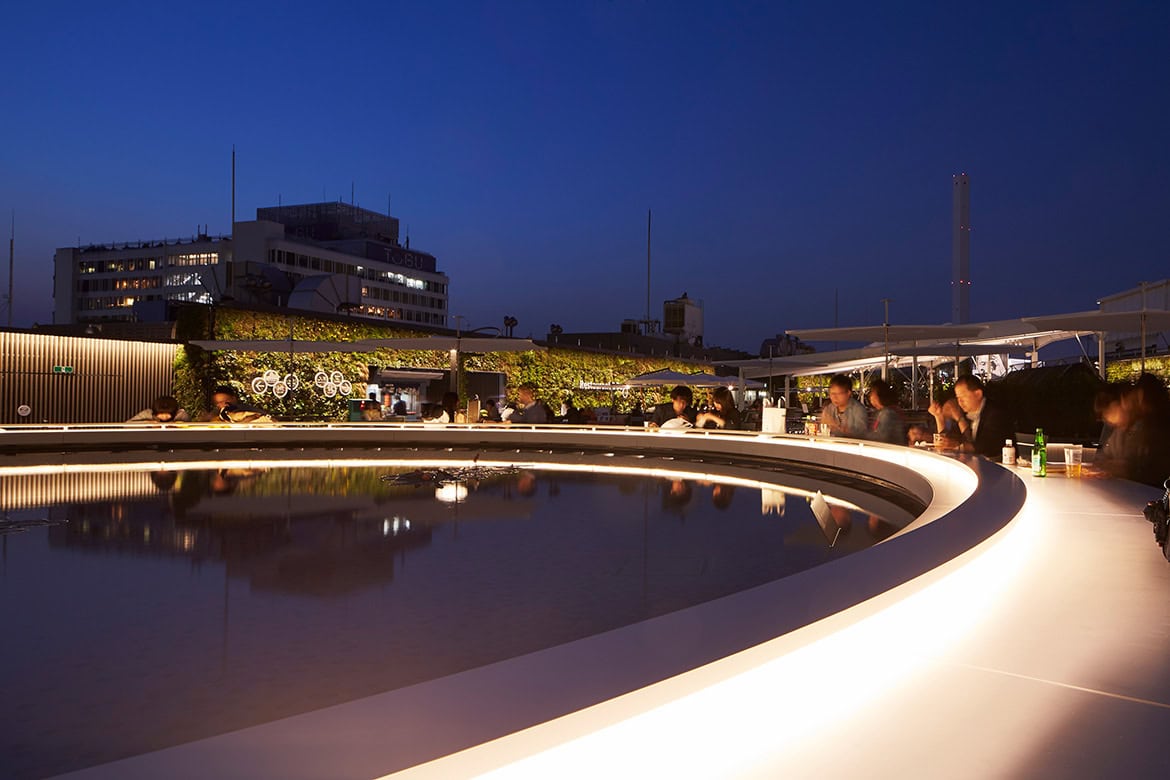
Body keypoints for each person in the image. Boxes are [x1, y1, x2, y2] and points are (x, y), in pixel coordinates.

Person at [929, 374, 1014, 460]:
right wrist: (939, 417)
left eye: (963, 397)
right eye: (958, 398)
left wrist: (957, 445)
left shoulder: (995, 413)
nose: (960, 402)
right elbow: (949, 440)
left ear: (978, 394)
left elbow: (985, 446)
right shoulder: (966, 414)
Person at [820, 374, 867, 439]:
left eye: (838, 394)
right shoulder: (828, 409)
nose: (834, 397)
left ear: (848, 393)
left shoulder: (858, 410)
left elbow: (861, 434)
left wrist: (836, 426)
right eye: (832, 393)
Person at [197, 385, 272, 423]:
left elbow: (262, 415)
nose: (222, 405)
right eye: (217, 403)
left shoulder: (244, 410)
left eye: (225, 401)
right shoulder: (215, 416)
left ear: (234, 399)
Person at [866, 379, 907, 445]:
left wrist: (860, 435)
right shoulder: (882, 412)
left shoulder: (888, 414)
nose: (870, 396)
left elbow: (881, 437)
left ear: (879, 395)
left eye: (872, 393)